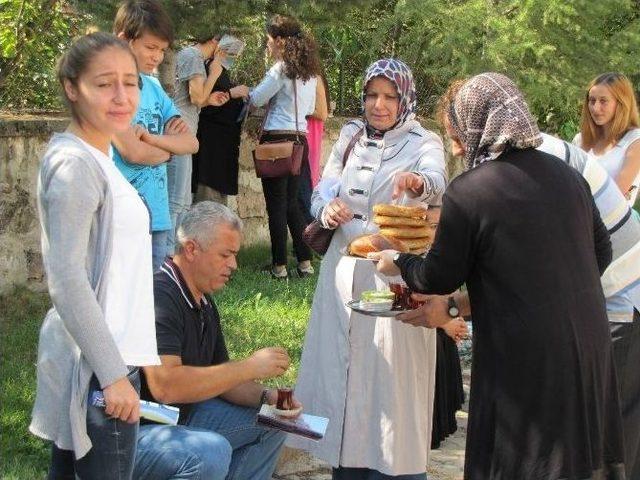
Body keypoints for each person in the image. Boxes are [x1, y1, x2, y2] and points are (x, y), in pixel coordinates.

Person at [374, 72, 626, 479]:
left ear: (474, 122)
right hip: (590, 344)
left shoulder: (471, 190)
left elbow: (436, 276)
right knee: (580, 461)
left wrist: (398, 262)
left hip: (525, 355)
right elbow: (601, 251)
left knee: (521, 461)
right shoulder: (567, 176)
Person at [289, 58, 447, 479]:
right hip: (342, 274)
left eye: (389, 96)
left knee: (390, 385)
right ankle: (347, 469)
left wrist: (417, 184)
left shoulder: (423, 140)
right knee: (343, 379)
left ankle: (397, 472)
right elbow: (322, 187)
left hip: (393, 274)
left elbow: (437, 178)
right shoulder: (350, 136)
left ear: (404, 99)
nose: (379, 104)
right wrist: (328, 210)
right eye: (372, 95)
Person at [29, 32, 160, 479]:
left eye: (131, 81)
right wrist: (112, 375)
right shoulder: (76, 166)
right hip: (100, 371)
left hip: (108, 362)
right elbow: (66, 278)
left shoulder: (99, 156)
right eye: (105, 84)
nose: (122, 96)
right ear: (72, 87)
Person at [135, 201, 297, 480]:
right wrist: (249, 366)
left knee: (274, 421)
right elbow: (165, 387)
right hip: (136, 430)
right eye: (225, 255)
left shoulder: (202, 299)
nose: (233, 265)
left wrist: (267, 398)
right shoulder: (159, 295)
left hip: (182, 417)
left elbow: (223, 380)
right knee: (211, 451)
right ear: (191, 249)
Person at [111, 0, 199, 271]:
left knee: (154, 303)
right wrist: (169, 148)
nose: (157, 57)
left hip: (158, 217)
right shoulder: (110, 89)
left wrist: (151, 140)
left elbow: (191, 143)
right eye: (151, 47)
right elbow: (132, 153)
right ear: (125, 40)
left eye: (162, 50)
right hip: (122, 216)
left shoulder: (152, 86)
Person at [248, 14, 319, 279]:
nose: (268, 45)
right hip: (300, 139)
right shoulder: (309, 72)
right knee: (292, 205)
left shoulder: (281, 69)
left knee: (275, 205)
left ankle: (278, 266)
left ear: (279, 40)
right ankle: (305, 262)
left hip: (277, 139)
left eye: (268, 40)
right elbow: (310, 108)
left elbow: (256, 98)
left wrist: (246, 93)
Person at [169, 34, 231, 254]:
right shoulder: (192, 55)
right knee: (177, 201)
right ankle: (169, 258)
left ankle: (176, 255)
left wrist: (209, 100)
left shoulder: (191, 56)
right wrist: (214, 73)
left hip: (185, 132)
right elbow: (195, 97)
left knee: (184, 200)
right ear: (216, 40)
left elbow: (196, 100)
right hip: (179, 132)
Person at [192, 40, 250, 206]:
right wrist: (232, 93)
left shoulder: (220, 71)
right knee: (207, 206)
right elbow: (201, 104)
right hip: (210, 150)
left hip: (222, 149)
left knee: (217, 206)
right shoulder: (206, 68)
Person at [574, 72, 640, 205]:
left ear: (621, 103)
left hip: (614, 222)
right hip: (577, 216)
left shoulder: (635, 141)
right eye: (592, 101)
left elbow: (615, 195)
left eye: (603, 101)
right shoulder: (580, 140)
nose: (595, 108)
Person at [299, 67, 331, 223]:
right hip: (305, 130)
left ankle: (312, 229)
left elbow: (322, 112)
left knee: (308, 183)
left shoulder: (313, 76)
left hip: (310, 131)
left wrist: (297, 108)